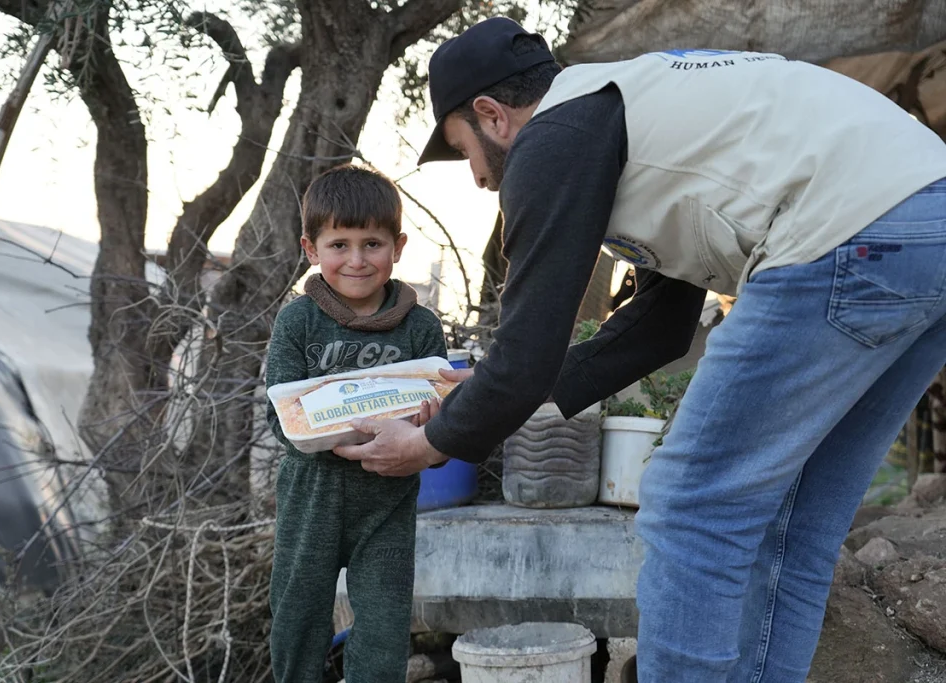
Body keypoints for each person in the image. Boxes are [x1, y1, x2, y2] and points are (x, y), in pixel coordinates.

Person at [332, 16, 946, 683]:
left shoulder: (554, 139)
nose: (479, 179)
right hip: (923, 220)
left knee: (689, 502)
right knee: (789, 525)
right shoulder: (628, 117)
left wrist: (428, 445)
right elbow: (659, 324)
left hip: (848, 226)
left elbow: (527, 349)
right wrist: (490, 387)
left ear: (491, 115)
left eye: (466, 151)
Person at [265, 164, 448, 683]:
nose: (356, 259)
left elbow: (440, 415)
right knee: (298, 618)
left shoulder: (420, 326)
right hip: (312, 499)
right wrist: (333, 437)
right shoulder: (297, 321)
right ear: (310, 248)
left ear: (398, 245)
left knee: (385, 625)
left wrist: (431, 431)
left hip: (387, 502)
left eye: (372, 243)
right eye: (339, 244)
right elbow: (280, 415)